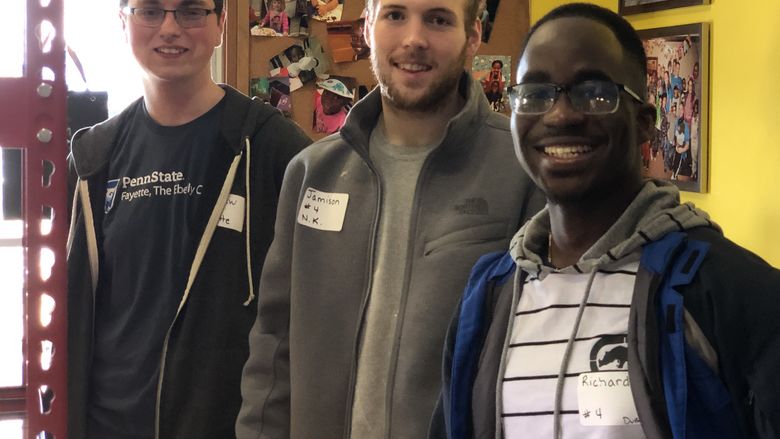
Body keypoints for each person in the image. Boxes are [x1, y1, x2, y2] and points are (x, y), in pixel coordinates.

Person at [437, 3, 780, 438]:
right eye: (536, 93)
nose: (560, 115)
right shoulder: (487, 297)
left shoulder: (729, 291)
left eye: (595, 93)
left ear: (644, 125)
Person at [235, 0, 543, 438]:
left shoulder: (521, 171)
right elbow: (272, 346)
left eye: (438, 19)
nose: (413, 39)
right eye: (395, 15)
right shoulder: (310, 173)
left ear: (473, 35)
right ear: (367, 27)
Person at [66, 1, 311, 438]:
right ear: (124, 23)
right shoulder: (92, 160)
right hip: (110, 424)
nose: (170, 28)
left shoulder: (272, 148)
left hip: (230, 424)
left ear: (220, 25)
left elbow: (310, 314)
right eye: (151, 11)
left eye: (191, 12)